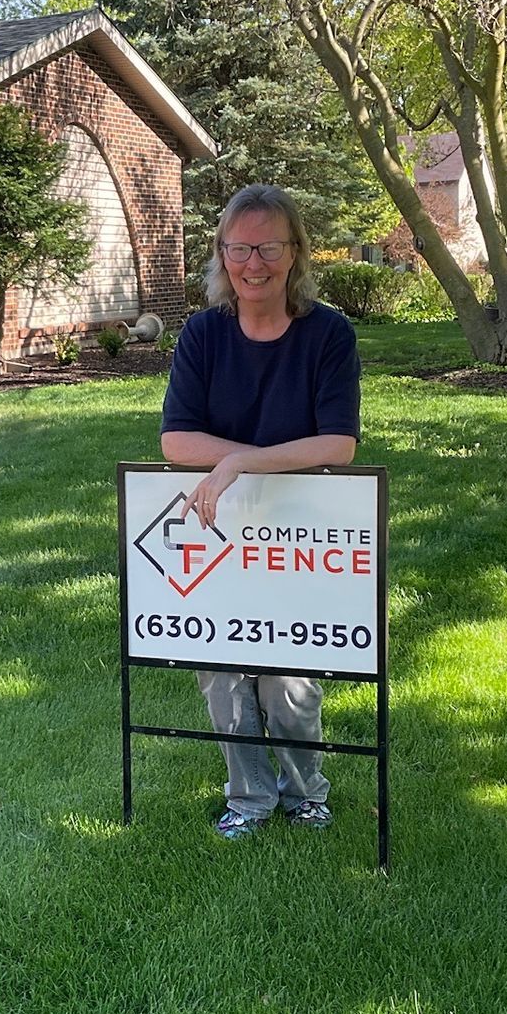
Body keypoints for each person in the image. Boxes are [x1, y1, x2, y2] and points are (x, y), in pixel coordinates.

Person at [160, 184, 361, 839]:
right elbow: (176, 440)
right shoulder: (203, 333)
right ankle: (249, 798)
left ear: (295, 251)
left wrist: (241, 462)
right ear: (222, 254)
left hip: (301, 537)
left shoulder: (328, 333)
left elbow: (339, 443)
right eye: (239, 248)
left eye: (268, 247)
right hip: (217, 534)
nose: (253, 263)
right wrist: (241, 462)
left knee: (286, 684)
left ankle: (306, 793)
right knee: (222, 678)